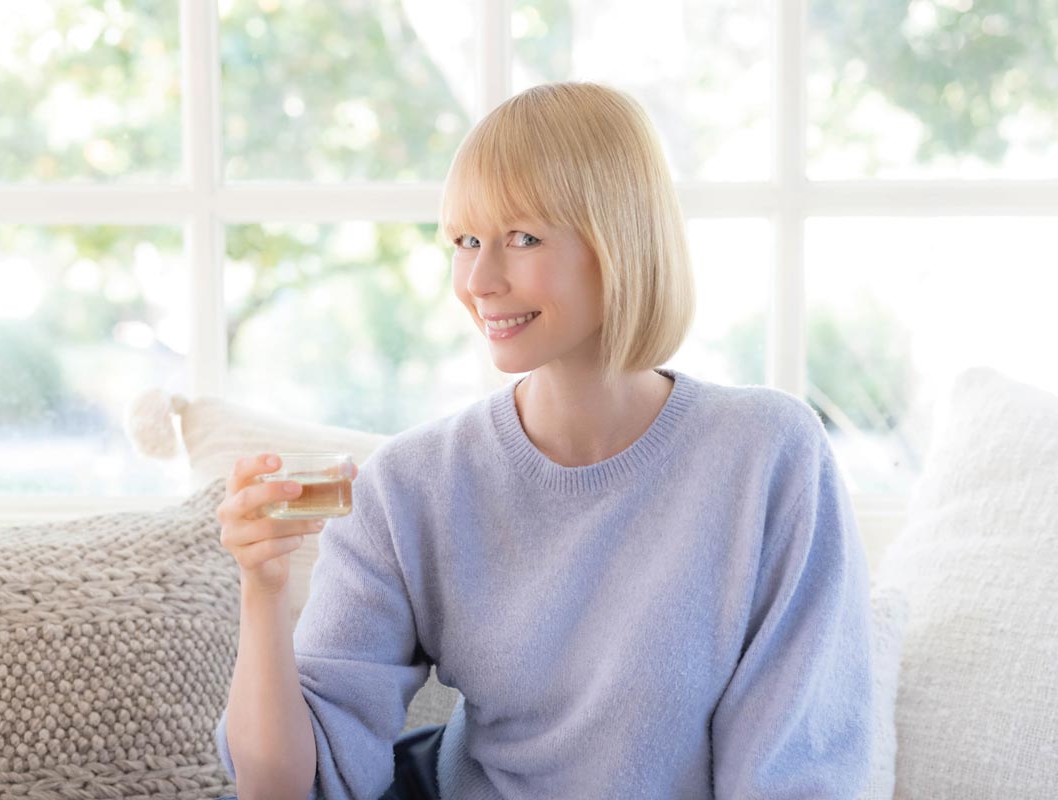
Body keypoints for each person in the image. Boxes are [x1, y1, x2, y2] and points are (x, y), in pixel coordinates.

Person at [212, 81, 874, 799]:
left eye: (522, 238)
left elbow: (795, 773)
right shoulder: (412, 484)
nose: (478, 279)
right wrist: (263, 587)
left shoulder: (768, 456)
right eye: (465, 241)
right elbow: (286, 788)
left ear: (620, 240)